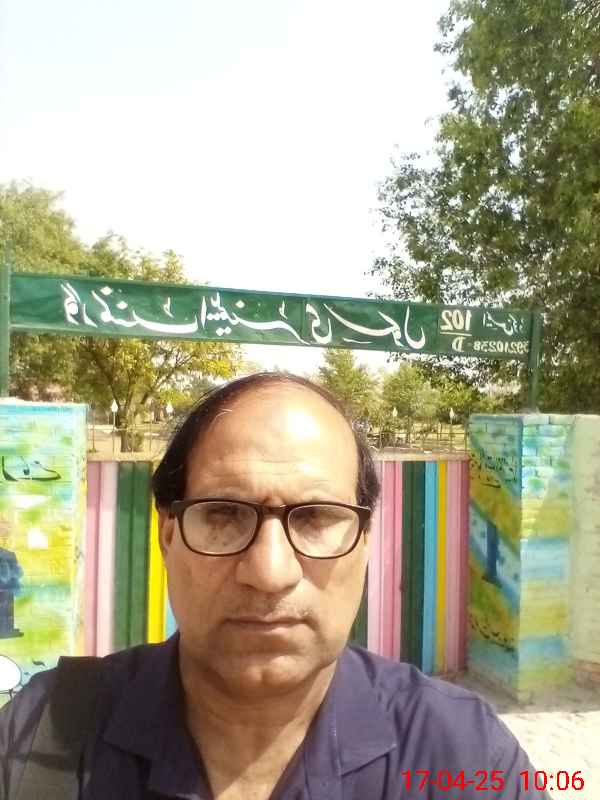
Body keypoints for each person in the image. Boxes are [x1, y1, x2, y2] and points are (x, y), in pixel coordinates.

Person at [0, 372, 549, 799]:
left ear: (364, 543)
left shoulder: (461, 756)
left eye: (317, 518)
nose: (269, 572)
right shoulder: (44, 736)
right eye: (222, 514)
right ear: (168, 537)